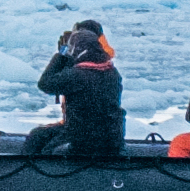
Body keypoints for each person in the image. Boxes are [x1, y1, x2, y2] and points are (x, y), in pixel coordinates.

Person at [24, 19, 124, 158]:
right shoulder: (111, 72)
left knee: (44, 147)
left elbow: (45, 84)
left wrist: (62, 54)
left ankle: (36, 170)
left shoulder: (77, 75)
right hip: (110, 136)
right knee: (39, 135)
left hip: (83, 138)